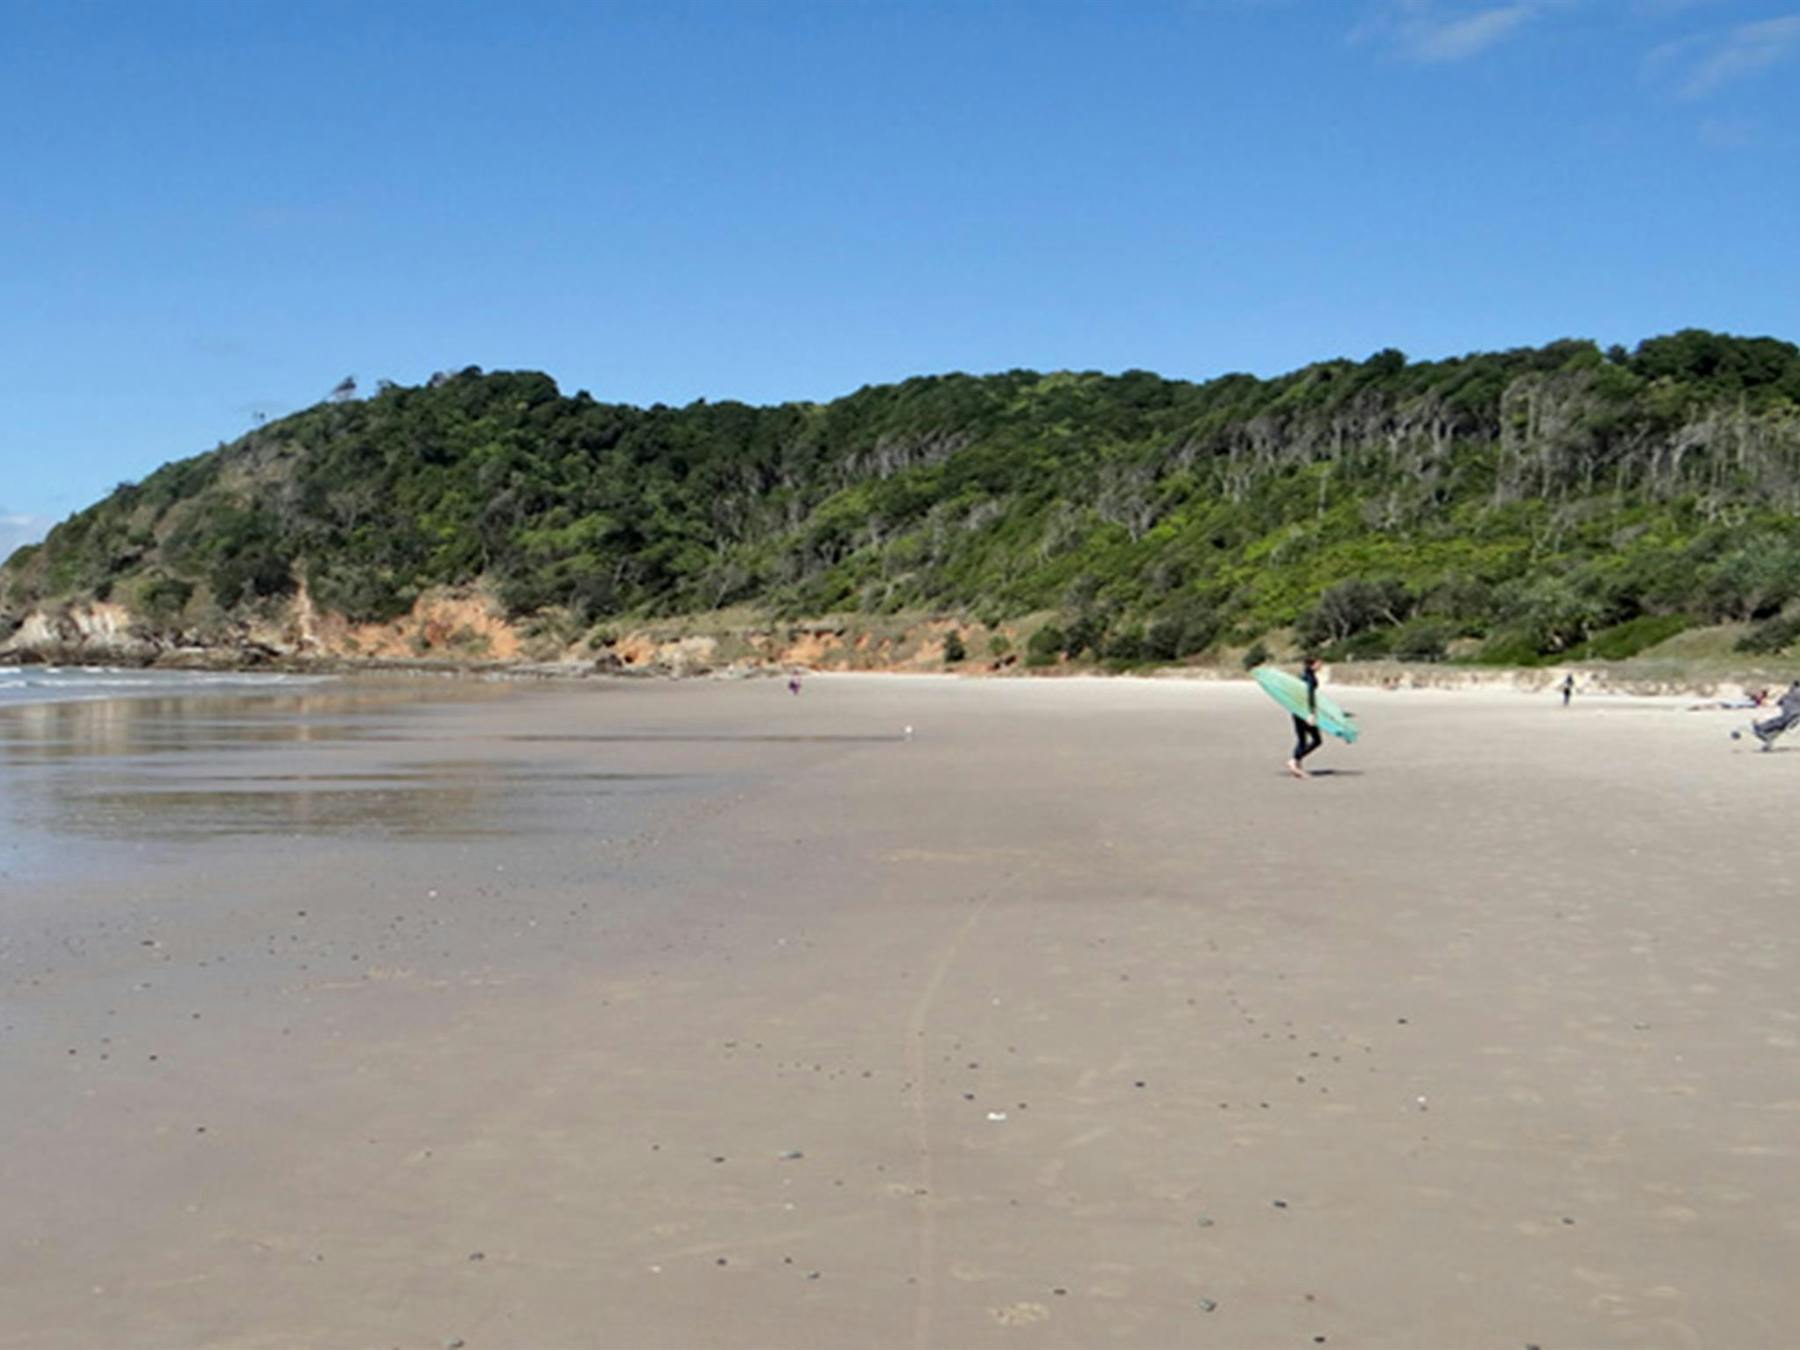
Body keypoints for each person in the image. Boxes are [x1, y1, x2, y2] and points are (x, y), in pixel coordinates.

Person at [1287, 656, 1325, 779]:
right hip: (1303, 712)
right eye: (1319, 663)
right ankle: (1294, 761)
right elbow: (1309, 694)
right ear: (1313, 664)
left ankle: (1296, 764)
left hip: (1298, 710)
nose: (1321, 665)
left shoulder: (1304, 674)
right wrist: (1311, 713)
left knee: (1303, 740)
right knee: (1316, 740)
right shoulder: (1308, 677)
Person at [1742, 680, 1800, 751]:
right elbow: (1776, 704)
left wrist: (1760, 700)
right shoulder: (1789, 695)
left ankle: (1761, 730)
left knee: (1773, 723)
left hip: (1787, 718)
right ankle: (1765, 735)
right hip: (1793, 718)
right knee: (1776, 724)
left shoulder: (1788, 695)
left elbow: (1773, 704)